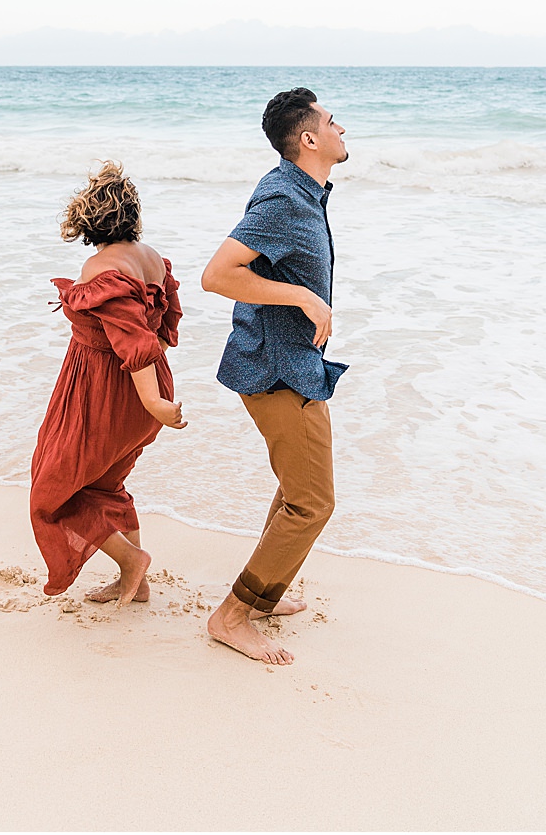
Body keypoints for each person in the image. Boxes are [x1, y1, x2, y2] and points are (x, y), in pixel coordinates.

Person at [199, 88, 350, 664]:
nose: (344, 130)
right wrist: (302, 298)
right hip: (274, 368)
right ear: (309, 139)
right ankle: (232, 617)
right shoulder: (286, 199)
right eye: (334, 122)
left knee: (298, 488)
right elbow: (216, 275)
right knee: (312, 503)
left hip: (294, 365)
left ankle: (261, 598)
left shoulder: (302, 192)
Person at [29, 161, 186, 607]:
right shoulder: (151, 257)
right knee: (107, 486)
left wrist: (153, 402)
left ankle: (133, 562)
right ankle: (135, 584)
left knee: (50, 491)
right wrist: (155, 396)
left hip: (107, 391)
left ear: (86, 220)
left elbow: (133, 339)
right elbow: (163, 328)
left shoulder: (103, 268)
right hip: (139, 390)